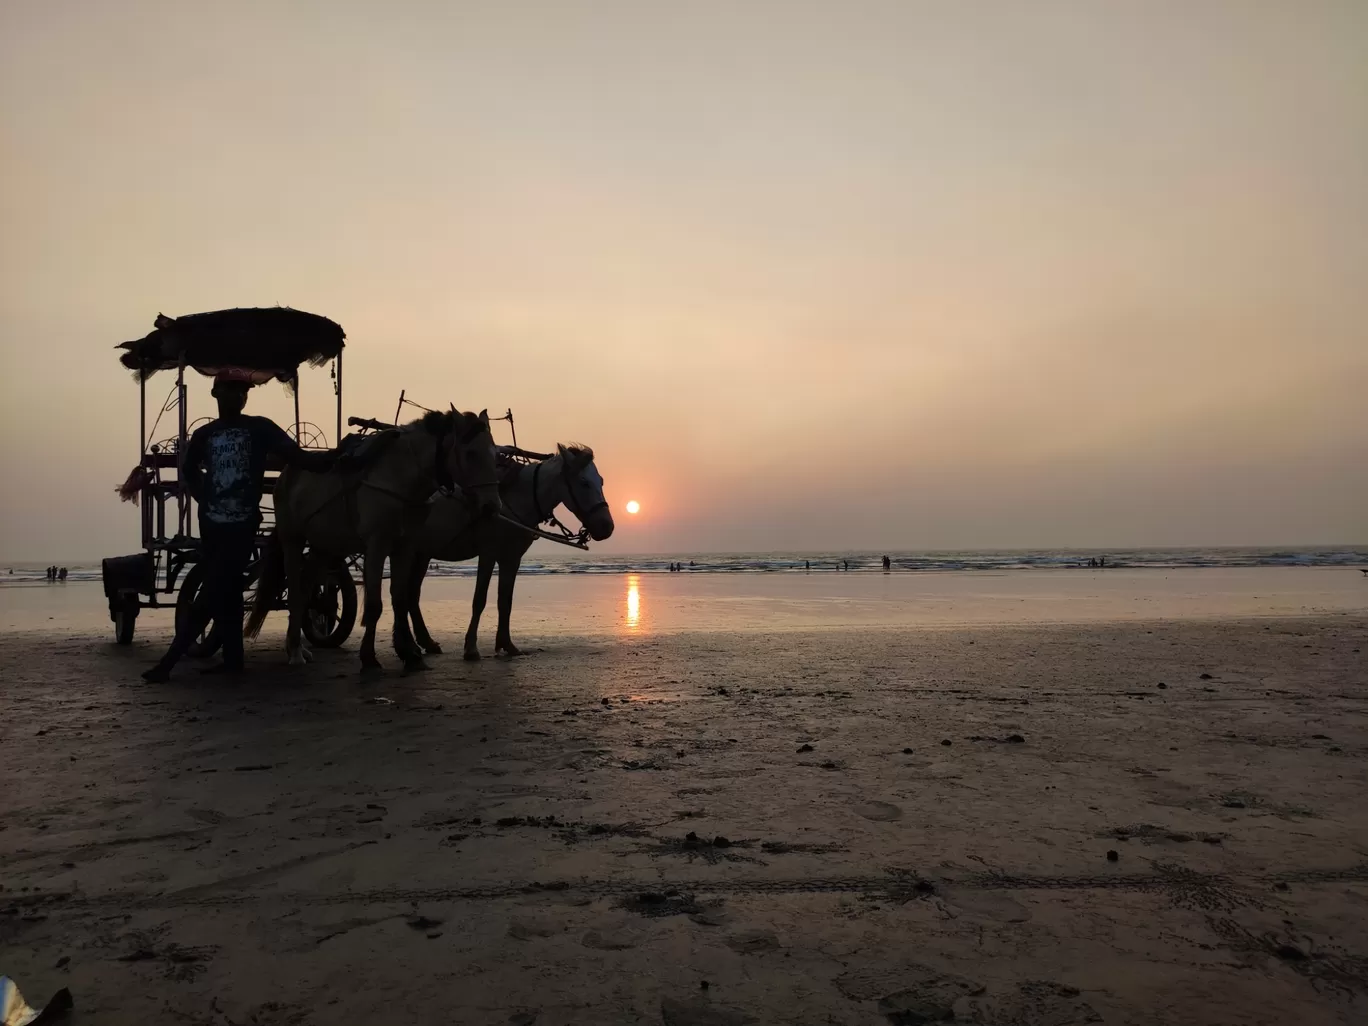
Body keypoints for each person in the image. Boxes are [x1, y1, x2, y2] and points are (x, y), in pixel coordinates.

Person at [143, 371, 338, 683]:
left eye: (242, 391)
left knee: (213, 591)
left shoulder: (259, 428)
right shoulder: (205, 434)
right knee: (229, 592)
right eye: (230, 390)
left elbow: (300, 458)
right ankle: (233, 661)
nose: (238, 396)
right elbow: (189, 469)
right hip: (211, 525)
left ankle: (169, 662)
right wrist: (202, 496)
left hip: (242, 524)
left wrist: (340, 458)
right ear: (215, 394)